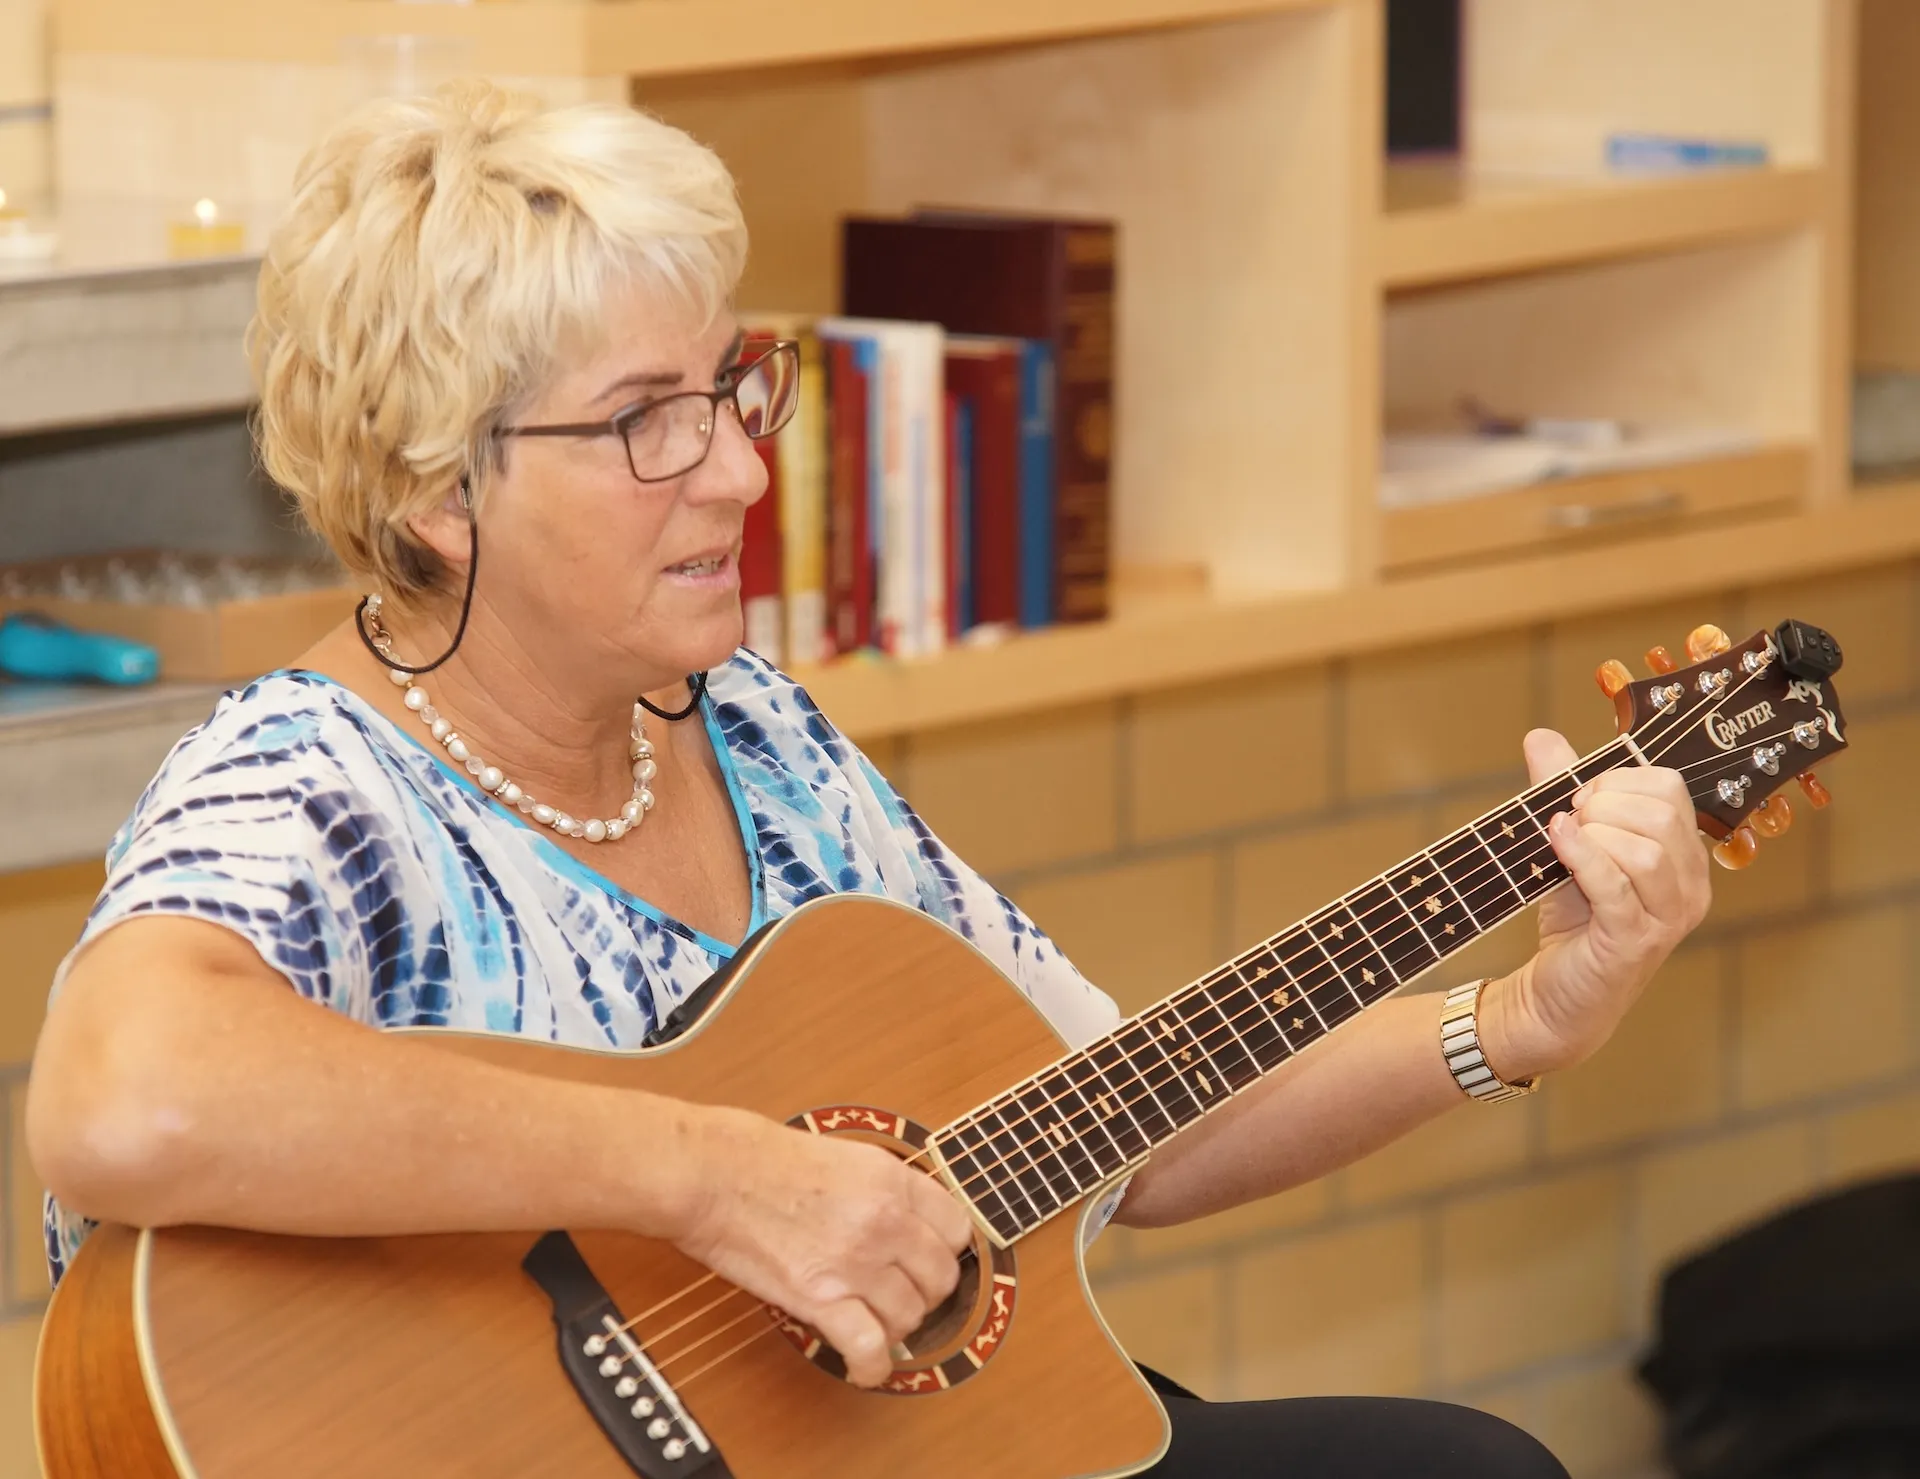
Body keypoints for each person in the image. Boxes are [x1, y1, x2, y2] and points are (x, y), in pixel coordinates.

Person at [25, 82, 1711, 1478]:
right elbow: (125, 1101)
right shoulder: (310, 784)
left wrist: (1520, 1020)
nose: (745, 470)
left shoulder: (750, 729)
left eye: (732, 392)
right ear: (435, 490)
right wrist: (712, 1177)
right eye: (647, 424)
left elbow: (1120, 1120)